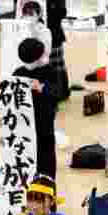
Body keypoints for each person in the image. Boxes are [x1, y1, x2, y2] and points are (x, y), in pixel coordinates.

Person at [12, 38, 65, 178]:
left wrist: (42, 88)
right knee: (27, 157)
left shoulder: (50, 71)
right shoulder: (19, 72)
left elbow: (58, 93)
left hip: (44, 124)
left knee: (46, 157)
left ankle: (47, 181)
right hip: (24, 126)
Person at [35, 0, 70, 99]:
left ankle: (60, 92)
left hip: (54, 35)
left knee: (57, 65)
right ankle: (42, 92)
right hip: (37, 35)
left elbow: (62, 14)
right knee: (40, 65)